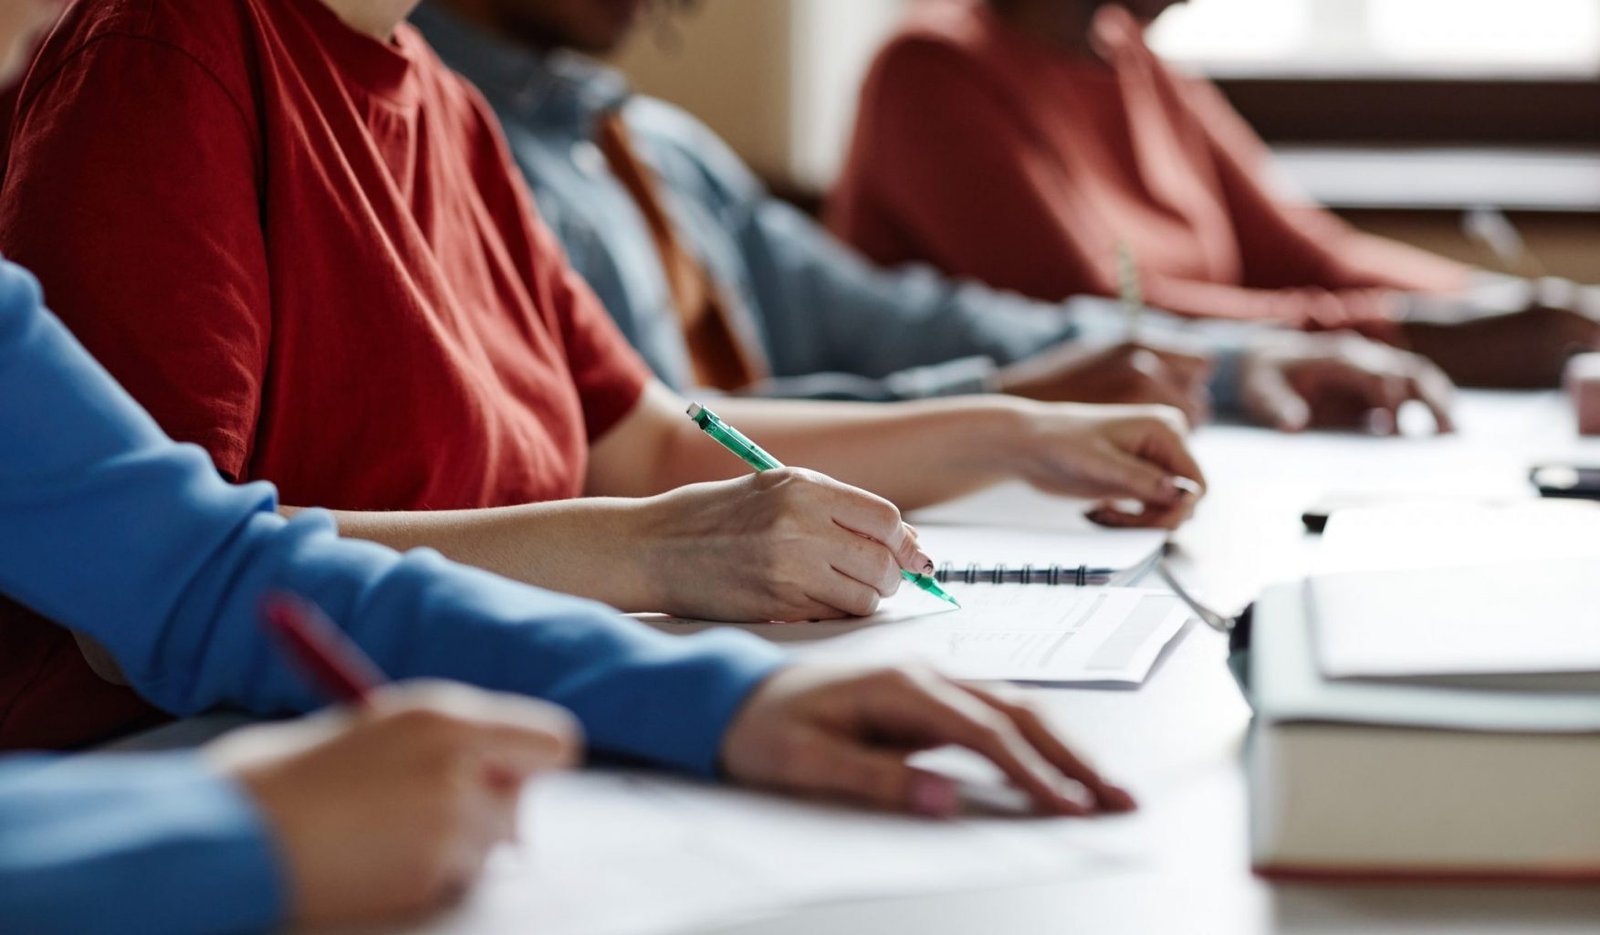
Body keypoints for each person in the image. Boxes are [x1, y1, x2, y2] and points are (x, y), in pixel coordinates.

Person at [0, 39, 1131, 926]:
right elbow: (139, 607)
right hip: (176, 770)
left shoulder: (449, 106)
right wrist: (210, 831)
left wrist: (723, 698)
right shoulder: (164, 65)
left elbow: (199, 567)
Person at [413, 0, 1458, 434]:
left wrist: (1218, 361)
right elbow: (656, 440)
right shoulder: (438, 150)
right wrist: (1002, 400)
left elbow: (899, 318)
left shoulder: (658, 145)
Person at [828, 0, 1600, 389]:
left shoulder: (1134, 61)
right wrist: (1416, 335)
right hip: (998, 487)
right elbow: (1099, 317)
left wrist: (1526, 302)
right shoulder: (932, 69)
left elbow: (1307, 251)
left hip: (1199, 428)